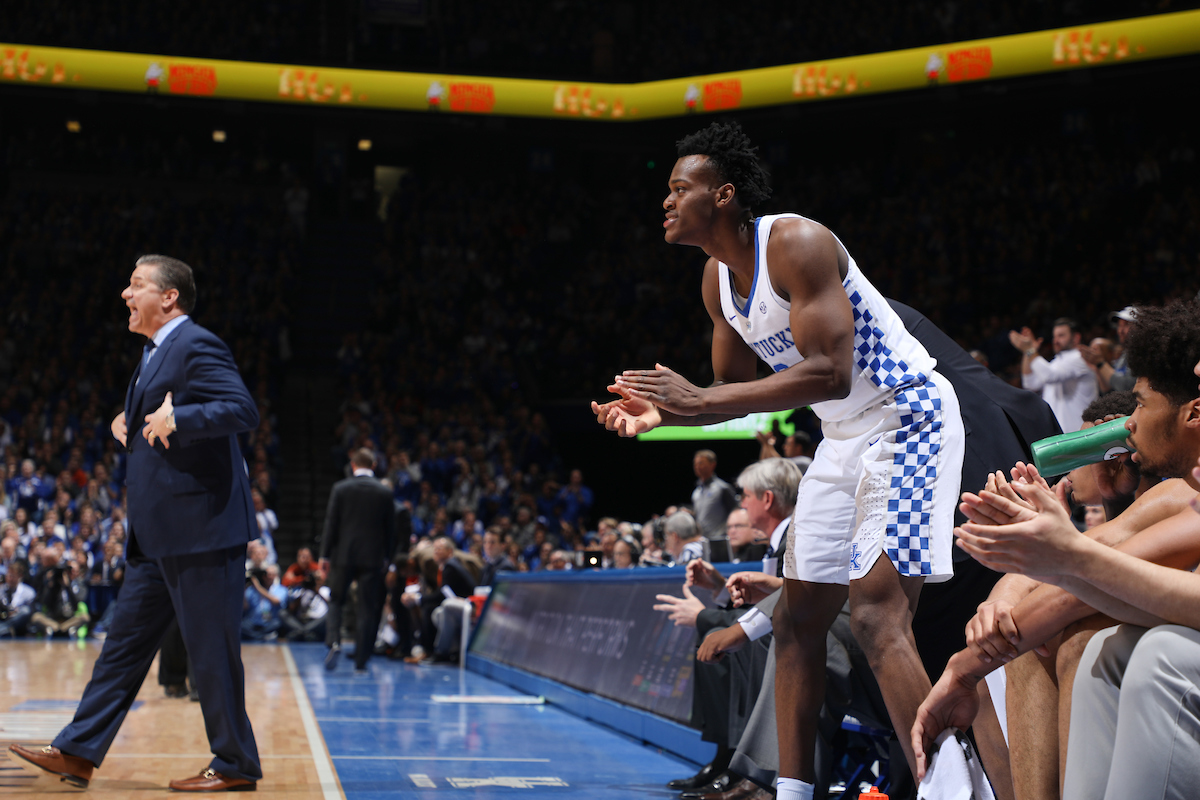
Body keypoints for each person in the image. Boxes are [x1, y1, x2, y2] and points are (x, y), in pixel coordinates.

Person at [593, 120, 966, 800]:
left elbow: (828, 371)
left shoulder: (795, 241)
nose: (667, 201)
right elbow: (734, 400)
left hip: (908, 417)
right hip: (842, 436)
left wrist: (699, 401)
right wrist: (662, 414)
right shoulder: (716, 282)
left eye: (681, 188)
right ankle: (793, 792)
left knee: (880, 617)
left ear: (725, 196)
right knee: (797, 620)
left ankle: (949, 791)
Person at [913, 299, 1200, 799]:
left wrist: (1055, 557)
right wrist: (1002, 595)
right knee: (1042, 642)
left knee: (1087, 639)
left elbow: (1085, 583)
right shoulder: (1180, 491)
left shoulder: (1179, 493)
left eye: (1141, 404)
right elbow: (1101, 551)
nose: (1130, 423)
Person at [9, 254, 262, 792]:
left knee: (211, 651)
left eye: (137, 284)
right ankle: (78, 752)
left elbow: (242, 409)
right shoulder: (154, 351)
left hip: (202, 529)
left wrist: (182, 418)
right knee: (121, 648)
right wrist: (132, 417)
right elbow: (163, 415)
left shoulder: (195, 342)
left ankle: (235, 764)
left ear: (168, 297)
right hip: (160, 534)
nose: (126, 293)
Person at [320, 447, 397, 673]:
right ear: (373, 466)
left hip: (344, 554)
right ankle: (362, 660)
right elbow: (390, 531)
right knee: (366, 608)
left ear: (353, 465)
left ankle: (334, 641)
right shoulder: (384, 492)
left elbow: (331, 523)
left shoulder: (341, 488)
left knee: (336, 600)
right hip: (372, 558)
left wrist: (325, 555)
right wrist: (388, 559)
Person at [1010, 317, 1098, 433]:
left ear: (1076, 338)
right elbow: (1030, 383)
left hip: (1080, 434)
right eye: (1054, 336)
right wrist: (1027, 352)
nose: (1056, 340)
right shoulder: (1056, 362)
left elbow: (1049, 376)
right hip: (1060, 436)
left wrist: (1030, 350)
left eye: (1061, 336)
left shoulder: (1079, 357)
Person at [691, 450, 738, 542]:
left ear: (712, 465)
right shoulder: (696, 492)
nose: (697, 467)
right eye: (695, 464)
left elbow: (735, 512)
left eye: (701, 463)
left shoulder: (722, 488)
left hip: (720, 539)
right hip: (702, 540)